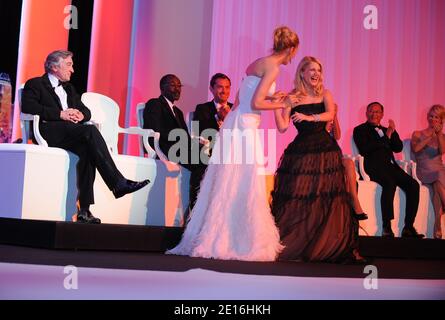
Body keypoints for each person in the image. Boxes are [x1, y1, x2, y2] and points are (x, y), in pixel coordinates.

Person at [167, 26, 300, 261]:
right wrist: (280, 103)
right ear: (290, 49)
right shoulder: (274, 68)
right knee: (244, 183)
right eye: (294, 52)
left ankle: (221, 235)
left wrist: (274, 98)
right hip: (246, 126)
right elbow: (256, 103)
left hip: (236, 121)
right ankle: (235, 239)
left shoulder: (258, 63)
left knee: (229, 181)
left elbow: (241, 97)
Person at [21, 50, 150, 224]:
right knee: (90, 132)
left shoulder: (69, 88)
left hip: (71, 132)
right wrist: (61, 114)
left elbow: (86, 111)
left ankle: (84, 210)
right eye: (68, 65)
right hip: (50, 131)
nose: (72, 69)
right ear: (53, 67)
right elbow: (28, 106)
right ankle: (118, 182)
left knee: (88, 150)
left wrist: (81, 116)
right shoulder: (35, 84)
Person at [271, 56, 363, 263]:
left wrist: (309, 118)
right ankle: (300, 245)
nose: (316, 73)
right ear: (302, 72)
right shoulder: (292, 97)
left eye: (318, 70)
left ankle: (328, 246)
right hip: (301, 152)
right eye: (311, 69)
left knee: (328, 200)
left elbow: (330, 115)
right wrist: (278, 106)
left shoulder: (325, 94)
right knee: (300, 199)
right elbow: (283, 127)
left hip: (325, 151)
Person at [353, 102, 424, 238]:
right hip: (373, 167)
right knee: (389, 183)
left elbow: (398, 147)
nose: (374, 114)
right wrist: (386, 137)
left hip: (390, 166)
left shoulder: (387, 130)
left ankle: (408, 227)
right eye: (371, 111)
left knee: (413, 185)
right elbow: (365, 148)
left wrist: (393, 131)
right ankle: (387, 227)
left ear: (382, 114)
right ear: (366, 113)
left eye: (377, 112)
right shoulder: (360, 130)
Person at [189, 73, 233, 209]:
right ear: (211, 89)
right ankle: (196, 213)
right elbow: (198, 133)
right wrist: (218, 117)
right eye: (220, 87)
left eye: (227, 87)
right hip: (208, 153)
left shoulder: (235, 108)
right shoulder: (202, 109)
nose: (224, 91)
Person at [326, 103, 368, 221]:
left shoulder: (331, 118)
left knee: (349, 162)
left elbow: (337, 135)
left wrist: (335, 115)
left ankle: (354, 199)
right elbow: (321, 136)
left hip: (333, 155)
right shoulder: (318, 119)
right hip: (321, 156)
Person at [411, 104, 445, 239]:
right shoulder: (417, 133)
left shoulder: (442, 136)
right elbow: (416, 150)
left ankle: (438, 229)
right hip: (424, 170)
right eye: (431, 116)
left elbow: (442, 151)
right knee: (438, 177)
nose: (432, 119)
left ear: (441, 120)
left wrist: (439, 134)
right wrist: (430, 135)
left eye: (436, 117)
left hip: (439, 171)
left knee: (437, 193)